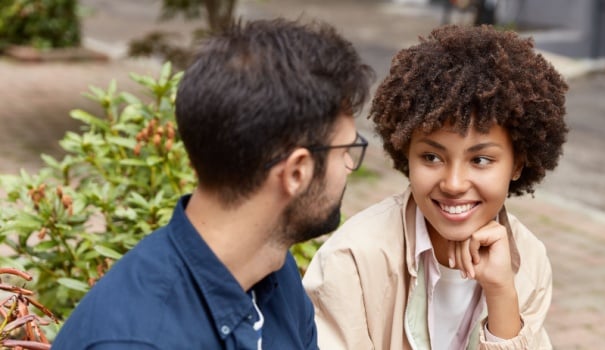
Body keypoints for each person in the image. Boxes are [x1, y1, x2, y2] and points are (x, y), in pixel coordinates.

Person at [53, 18, 373, 349]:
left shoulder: (273, 268)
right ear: (296, 173)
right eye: (345, 150)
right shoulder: (135, 340)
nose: (349, 165)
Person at [303, 24, 567, 350]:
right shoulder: (353, 260)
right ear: (405, 153)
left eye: (481, 160)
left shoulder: (530, 259)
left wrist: (501, 292)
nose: (454, 184)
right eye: (431, 156)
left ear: (517, 164)